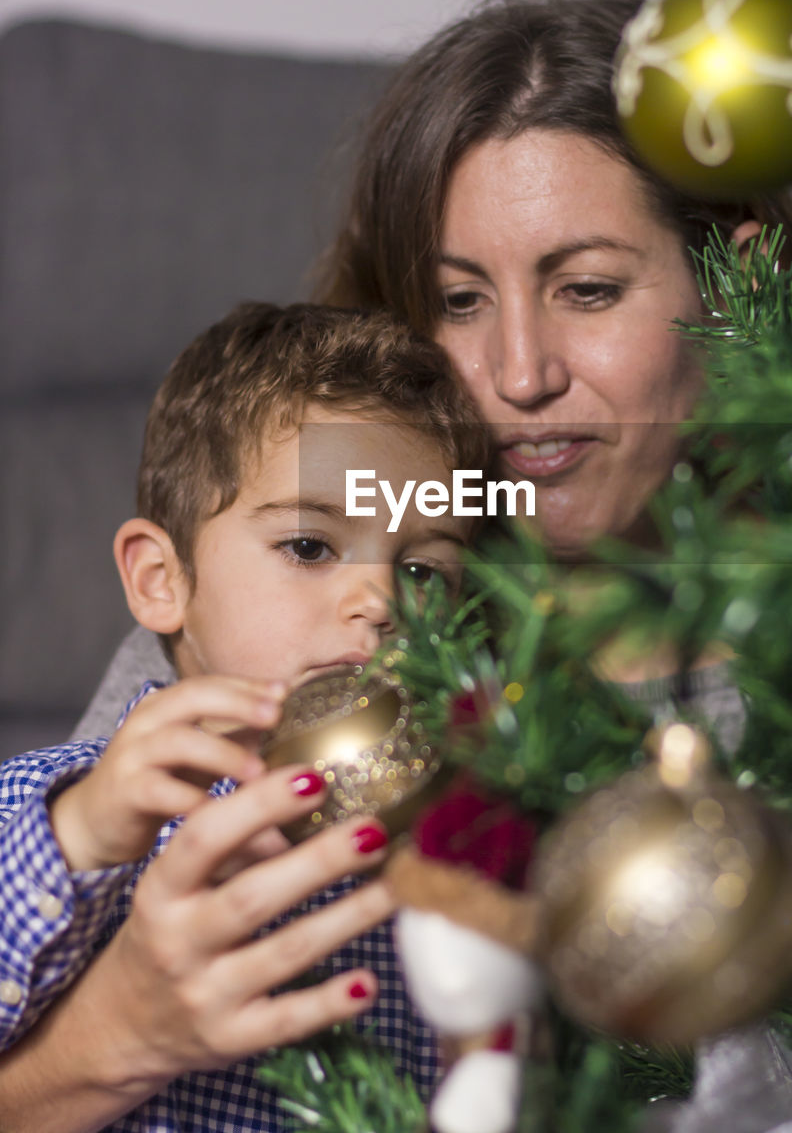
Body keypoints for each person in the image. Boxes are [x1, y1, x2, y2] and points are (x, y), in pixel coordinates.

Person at [13, 0, 792, 1131]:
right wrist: (118, 1034)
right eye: (458, 299)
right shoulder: (277, 607)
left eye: (587, 288)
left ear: (739, 285)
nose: (519, 374)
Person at [0, 300, 489, 1131]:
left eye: (422, 573)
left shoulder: (448, 840)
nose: (377, 602)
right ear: (161, 580)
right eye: (308, 546)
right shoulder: (69, 803)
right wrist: (84, 834)